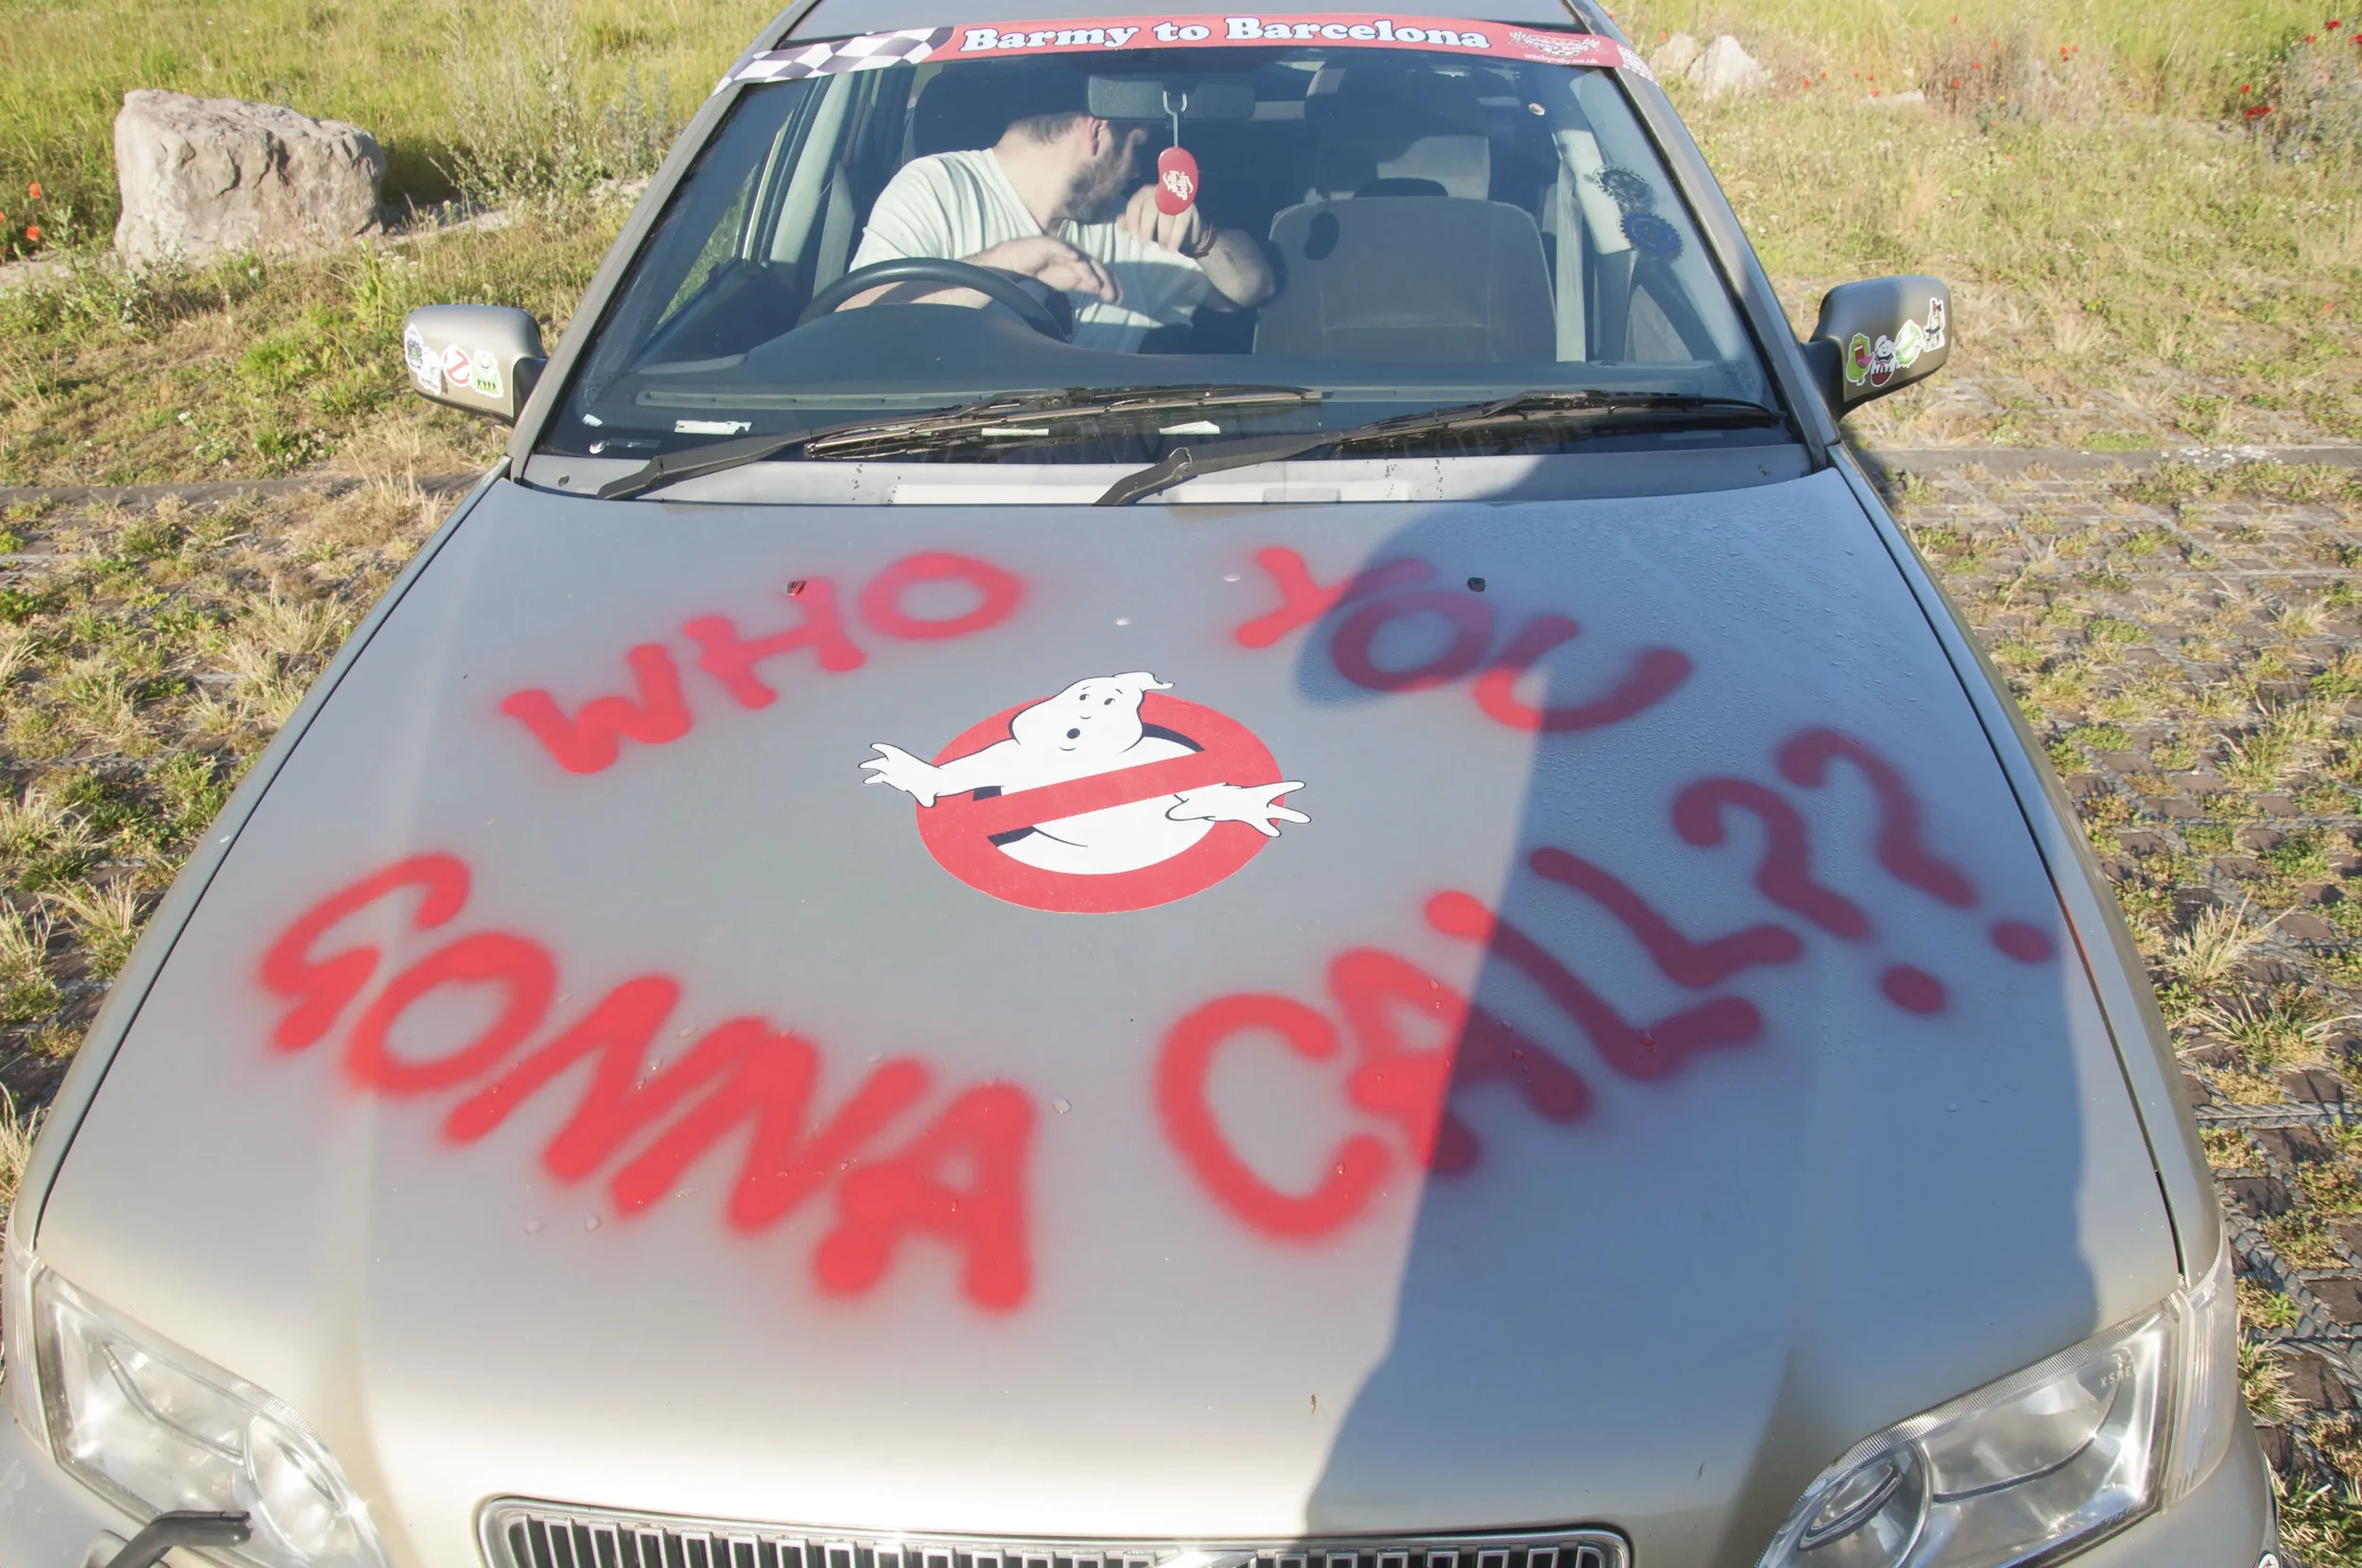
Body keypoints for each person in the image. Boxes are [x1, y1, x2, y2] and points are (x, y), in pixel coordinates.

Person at [843, 77, 1275, 349]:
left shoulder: (1125, 223)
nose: (1138, 170)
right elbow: (855, 331)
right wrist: (1007, 264)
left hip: (1110, 467)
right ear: (1097, 132)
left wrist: (1203, 240)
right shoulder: (937, 188)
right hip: (956, 464)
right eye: (1135, 147)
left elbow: (1251, 290)